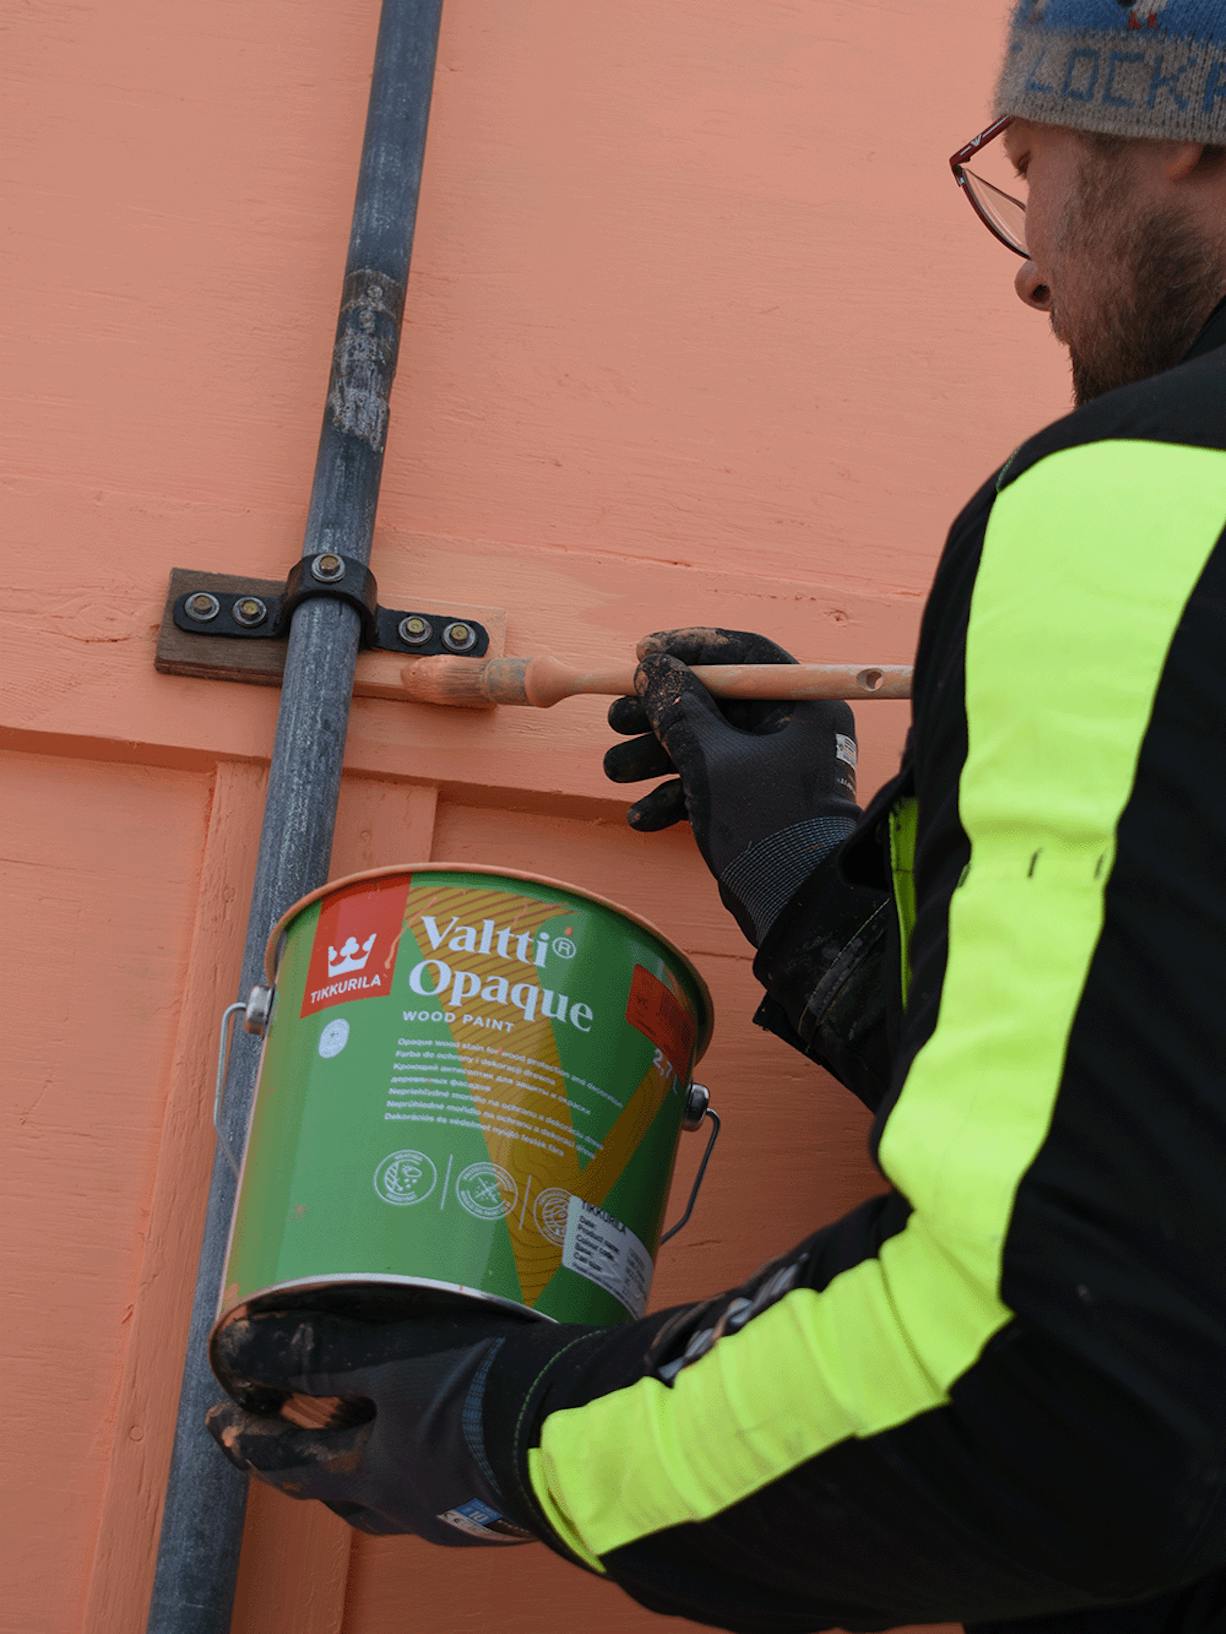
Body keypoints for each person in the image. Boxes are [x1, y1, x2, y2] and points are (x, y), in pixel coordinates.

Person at [207, 3, 1226, 1628]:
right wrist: (816, 883)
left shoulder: (1143, 491)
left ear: (1180, 124)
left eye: (1027, 166)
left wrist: (512, 1430)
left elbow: (1072, 1369)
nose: (1028, 268)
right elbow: (1162, 1110)